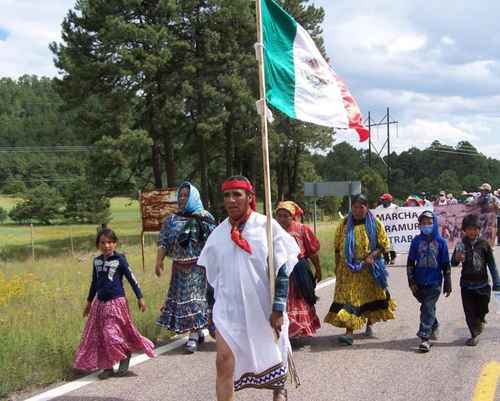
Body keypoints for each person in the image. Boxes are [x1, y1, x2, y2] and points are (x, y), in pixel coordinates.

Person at [198, 176, 300, 401]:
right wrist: (210, 313)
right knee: (223, 362)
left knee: (273, 354)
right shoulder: (218, 235)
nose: (231, 200)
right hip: (228, 310)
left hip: (262, 308)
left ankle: (279, 391)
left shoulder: (266, 226)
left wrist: (278, 306)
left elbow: (282, 269)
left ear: (250, 197)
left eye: (237, 194)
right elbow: (211, 278)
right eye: (227, 195)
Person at [74, 229, 155, 379]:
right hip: (100, 304)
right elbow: (94, 283)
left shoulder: (120, 260)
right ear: (98, 245)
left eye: (110, 242)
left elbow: (132, 278)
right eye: (103, 243)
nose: (106, 246)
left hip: (116, 303)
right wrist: (89, 302)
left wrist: (140, 297)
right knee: (101, 336)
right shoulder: (97, 261)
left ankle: (125, 354)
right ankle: (107, 367)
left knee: (110, 333)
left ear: (115, 243)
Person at [324, 194, 396, 346]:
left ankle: (369, 323)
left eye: (361, 207)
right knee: (351, 299)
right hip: (348, 270)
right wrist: (337, 267)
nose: (357, 210)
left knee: (369, 298)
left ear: (367, 208)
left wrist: (372, 256)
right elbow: (337, 248)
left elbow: (384, 245)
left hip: (368, 268)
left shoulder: (375, 223)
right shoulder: (343, 225)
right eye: (355, 207)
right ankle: (349, 333)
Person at [155, 182, 216, 353]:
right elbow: (164, 241)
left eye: (186, 195)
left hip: (199, 267)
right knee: (183, 302)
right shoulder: (171, 220)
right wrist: (158, 261)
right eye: (180, 195)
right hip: (179, 269)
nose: (182, 199)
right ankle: (197, 331)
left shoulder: (205, 217)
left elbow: (215, 242)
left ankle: (193, 337)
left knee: (194, 301)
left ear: (193, 197)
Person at [451, 214, 500, 346]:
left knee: (482, 309)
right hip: (466, 285)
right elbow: (453, 263)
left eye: (475, 229)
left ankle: (481, 319)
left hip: (483, 285)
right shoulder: (461, 244)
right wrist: (456, 258)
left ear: (479, 229)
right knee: (469, 312)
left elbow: (491, 264)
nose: (472, 232)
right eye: (469, 229)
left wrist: (497, 282)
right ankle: (474, 334)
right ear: (464, 230)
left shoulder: (484, 244)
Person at [275, 201, 322, 340]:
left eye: (286, 216)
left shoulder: (302, 229)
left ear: (293, 217)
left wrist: (318, 270)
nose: (282, 219)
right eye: (279, 216)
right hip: (279, 271)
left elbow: (313, 253)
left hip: (298, 272)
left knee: (298, 298)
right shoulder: (272, 230)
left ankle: (297, 329)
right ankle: (285, 330)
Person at [407, 211, 452, 353]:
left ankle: (425, 338)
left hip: (435, 282)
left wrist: (448, 282)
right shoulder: (416, 241)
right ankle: (434, 324)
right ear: (419, 225)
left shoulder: (441, 242)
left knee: (427, 307)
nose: (426, 226)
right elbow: (410, 262)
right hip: (419, 282)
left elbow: (445, 264)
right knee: (427, 307)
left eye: (429, 223)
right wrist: (411, 281)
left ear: (434, 224)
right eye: (423, 223)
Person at [376, 193, 398, 264]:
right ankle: (386, 259)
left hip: (392, 229)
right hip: (383, 230)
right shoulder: (378, 208)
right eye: (382, 200)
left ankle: (393, 258)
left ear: (389, 200)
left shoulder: (395, 207)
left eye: (384, 200)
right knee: (383, 244)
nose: (382, 201)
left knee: (391, 244)